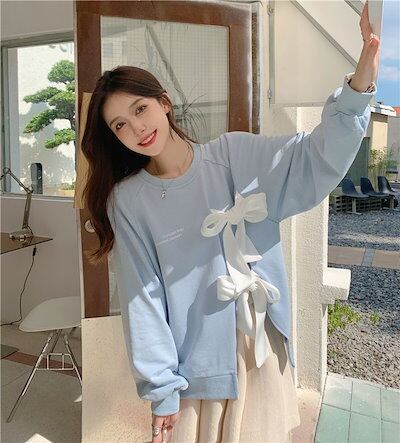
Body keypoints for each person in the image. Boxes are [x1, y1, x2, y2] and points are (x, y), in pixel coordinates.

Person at [81, 2, 379, 442]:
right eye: (120, 125)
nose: (137, 128)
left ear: (164, 103)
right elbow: (143, 298)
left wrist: (361, 81)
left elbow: (315, 157)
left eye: (140, 109)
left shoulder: (235, 154)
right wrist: (161, 388)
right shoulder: (129, 200)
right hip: (197, 367)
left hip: (260, 349)